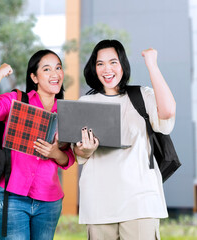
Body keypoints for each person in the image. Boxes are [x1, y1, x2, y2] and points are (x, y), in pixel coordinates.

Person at [74, 39, 176, 240]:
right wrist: (85, 150)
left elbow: (167, 111)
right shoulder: (86, 103)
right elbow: (78, 152)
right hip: (98, 204)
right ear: (94, 69)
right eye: (100, 63)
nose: (107, 69)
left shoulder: (142, 96)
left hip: (141, 203)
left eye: (113, 62)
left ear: (123, 65)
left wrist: (151, 64)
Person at [0, 49, 75, 240]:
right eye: (47, 69)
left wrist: (55, 153)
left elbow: (68, 159)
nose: (55, 74)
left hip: (49, 200)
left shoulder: (66, 111)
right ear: (34, 77)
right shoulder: (17, 100)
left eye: (58, 68)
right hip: (12, 196)